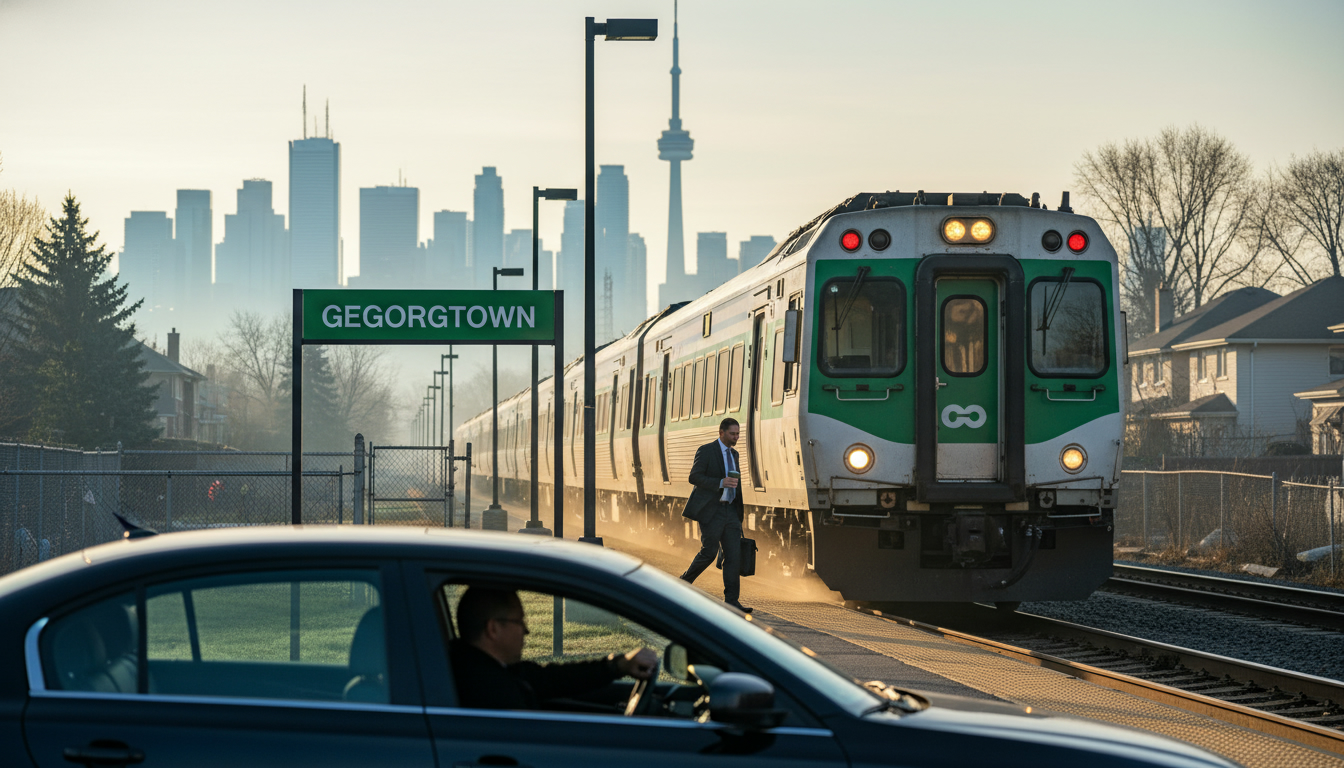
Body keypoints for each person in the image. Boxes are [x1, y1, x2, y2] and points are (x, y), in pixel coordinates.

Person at [449, 586, 658, 710]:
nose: (526, 631)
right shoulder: (489, 690)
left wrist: (617, 665)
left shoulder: (494, 670)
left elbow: (553, 678)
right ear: (493, 629)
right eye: (519, 622)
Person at [678, 418, 751, 613]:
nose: (736, 437)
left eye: (737, 434)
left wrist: (738, 511)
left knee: (733, 556)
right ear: (721, 432)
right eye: (732, 434)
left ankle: (732, 602)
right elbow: (694, 477)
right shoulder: (706, 450)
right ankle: (683, 584)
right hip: (712, 511)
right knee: (709, 552)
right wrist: (720, 482)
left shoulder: (734, 454)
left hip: (731, 511)